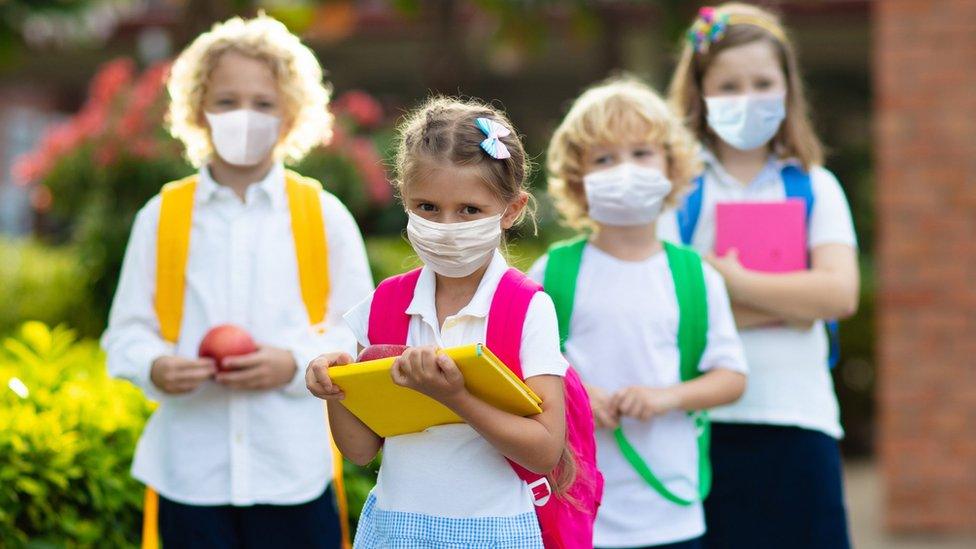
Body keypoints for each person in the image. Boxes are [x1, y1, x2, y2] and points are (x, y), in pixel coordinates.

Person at [102, 13, 372, 548]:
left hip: (293, 473)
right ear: (198, 110)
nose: (244, 116)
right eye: (226, 101)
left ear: (291, 114)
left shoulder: (324, 215)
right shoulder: (162, 216)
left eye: (264, 103)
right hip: (189, 477)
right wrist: (155, 364)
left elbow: (358, 333)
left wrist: (293, 363)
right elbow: (125, 333)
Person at [307, 97, 573, 548]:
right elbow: (360, 449)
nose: (446, 226)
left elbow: (547, 448)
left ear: (510, 210)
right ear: (404, 199)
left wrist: (456, 398)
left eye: (468, 210)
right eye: (427, 207)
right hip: (396, 526)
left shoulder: (525, 308)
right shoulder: (385, 305)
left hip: (495, 528)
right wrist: (336, 388)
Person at [661, 4, 860, 548]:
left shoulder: (816, 185)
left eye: (762, 82)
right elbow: (669, 307)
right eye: (728, 84)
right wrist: (796, 305)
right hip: (701, 423)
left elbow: (839, 293)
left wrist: (730, 280)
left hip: (801, 419)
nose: (746, 96)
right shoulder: (675, 191)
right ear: (698, 92)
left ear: (788, 89)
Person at [530, 76, 747, 549]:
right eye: (604, 158)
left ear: (672, 167)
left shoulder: (695, 275)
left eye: (641, 153)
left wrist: (663, 398)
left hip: (672, 511)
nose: (624, 169)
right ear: (577, 181)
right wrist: (579, 396)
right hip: (578, 511)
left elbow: (731, 377)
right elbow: (521, 365)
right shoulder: (553, 270)